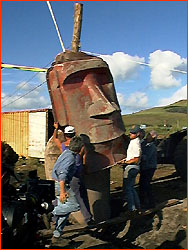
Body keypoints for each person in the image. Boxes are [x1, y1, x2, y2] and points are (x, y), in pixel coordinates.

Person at [53, 122, 93, 225]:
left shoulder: (63, 146)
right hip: (76, 176)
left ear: (65, 135)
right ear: (74, 133)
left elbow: (55, 139)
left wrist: (56, 129)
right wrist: (85, 169)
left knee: (62, 197)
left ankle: (54, 218)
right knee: (80, 197)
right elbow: (84, 159)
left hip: (66, 177)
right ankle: (88, 219)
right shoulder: (80, 147)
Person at [51, 136, 84, 238]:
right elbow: (62, 174)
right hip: (61, 185)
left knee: (64, 211)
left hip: (58, 184)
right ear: (81, 148)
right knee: (74, 206)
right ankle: (50, 213)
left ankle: (57, 234)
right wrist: (62, 191)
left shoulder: (66, 153)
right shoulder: (70, 158)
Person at [118, 125, 141, 213]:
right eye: (130, 132)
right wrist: (125, 160)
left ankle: (131, 209)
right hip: (132, 166)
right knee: (131, 188)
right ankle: (137, 206)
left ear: (138, 134)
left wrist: (125, 163)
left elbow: (136, 159)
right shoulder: (134, 141)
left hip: (131, 167)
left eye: (133, 133)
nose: (130, 134)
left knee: (127, 188)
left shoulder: (135, 143)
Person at [139, 130, 158, 210]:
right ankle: (143, 201)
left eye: (150, 135)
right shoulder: (143, 143)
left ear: (153, 137)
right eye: (148, 134)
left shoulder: (152, 147)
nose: (148, 136)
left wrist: (137, 156)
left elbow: (146, 157)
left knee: (146, 184)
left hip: (150, 167)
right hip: (145, 167)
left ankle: (151, 202)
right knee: (142, 184)